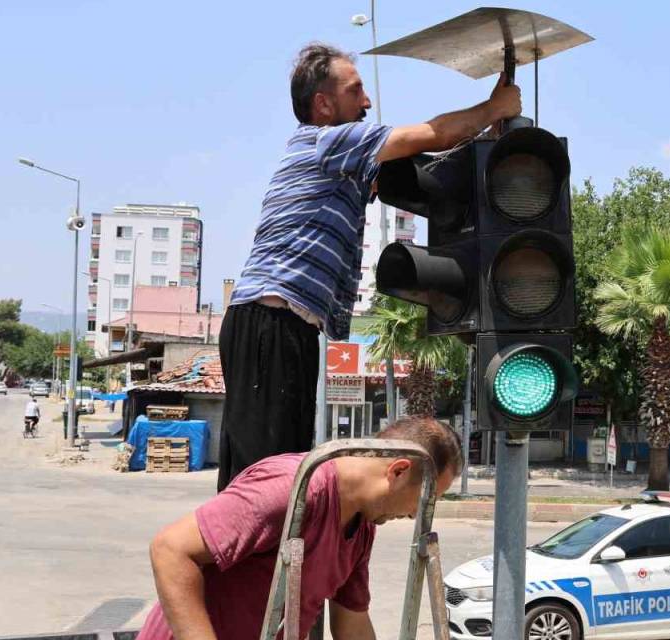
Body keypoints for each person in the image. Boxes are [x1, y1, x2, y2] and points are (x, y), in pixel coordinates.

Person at [216, 43, 522, 491]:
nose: (367, 101)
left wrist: (486, 131)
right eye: (355, 90)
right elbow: (433, 134)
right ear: (323, 104)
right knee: (265, 480)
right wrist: (494, 107)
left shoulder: (344, 161)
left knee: (282, 472)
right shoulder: (329, 141)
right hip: (270, 320)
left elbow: (432, 159)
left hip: (285, 326)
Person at [138, 417, 462, 640]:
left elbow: (352, 626)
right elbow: (170, 550)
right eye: (426, 498)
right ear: (399, 471)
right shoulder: (290, 490)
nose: (416, 514)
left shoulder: (362, 527)